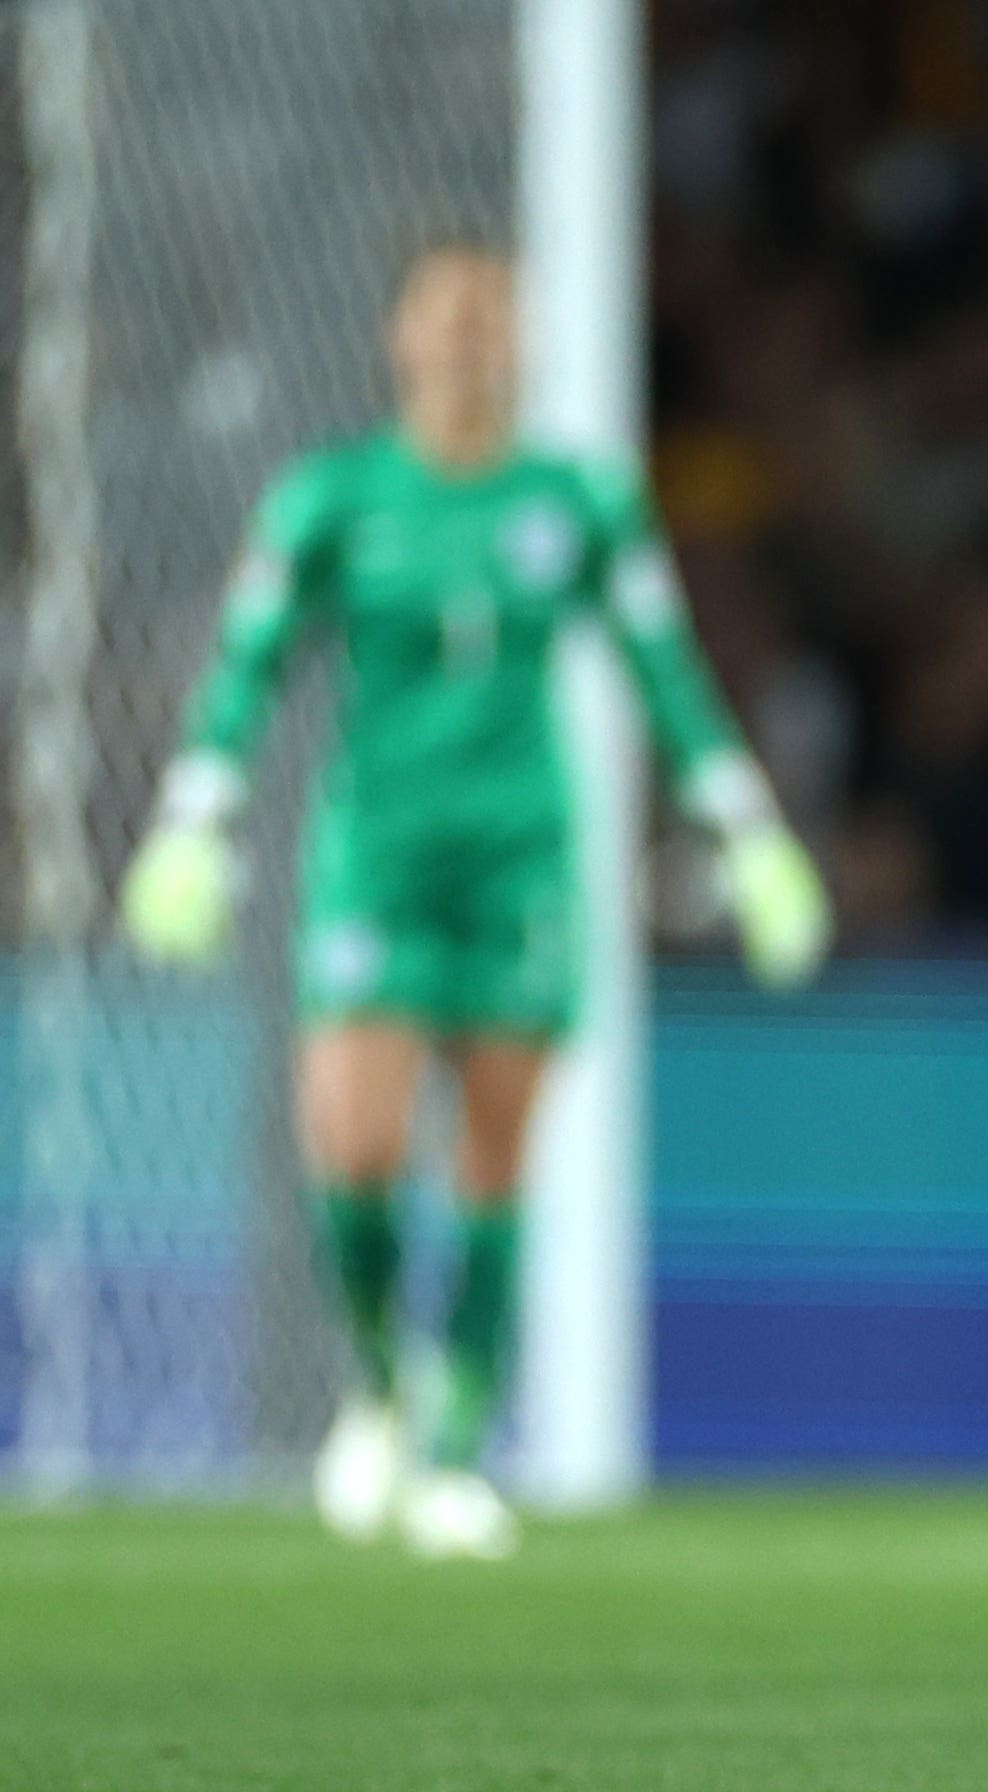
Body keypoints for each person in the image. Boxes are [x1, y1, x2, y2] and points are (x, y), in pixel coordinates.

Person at [119, 245, 829, 1560]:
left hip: (522, 860)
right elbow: (248, 664)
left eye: (490, 318)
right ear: (399, 336)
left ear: (523, 343)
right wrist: (194, 820)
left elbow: (660, 667)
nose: (465, 339)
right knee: (357, 1144)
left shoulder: (579, 501)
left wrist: (747, 833)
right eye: (444, 317)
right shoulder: (329, 498)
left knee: (494, 1155)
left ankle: (455, 1448)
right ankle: (381, 1378)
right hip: (376, 858)